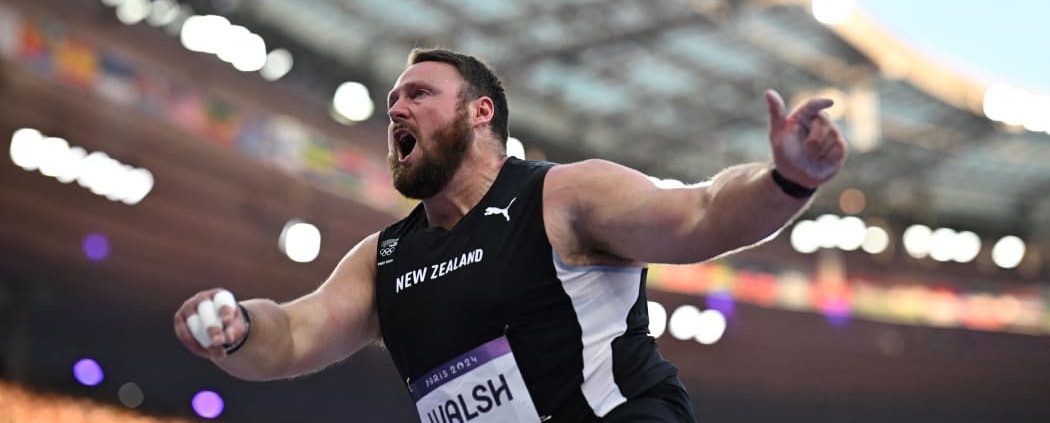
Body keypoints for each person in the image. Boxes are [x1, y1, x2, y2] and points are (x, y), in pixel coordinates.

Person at [174, 48, 847, 422]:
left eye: (418, 95)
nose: (396, 108)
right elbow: (292, 334)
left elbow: (701, 214)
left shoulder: (563, 196)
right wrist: (236, 330)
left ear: (480, 112)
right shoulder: (386, 257)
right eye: (391, 104)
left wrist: (785, 179)